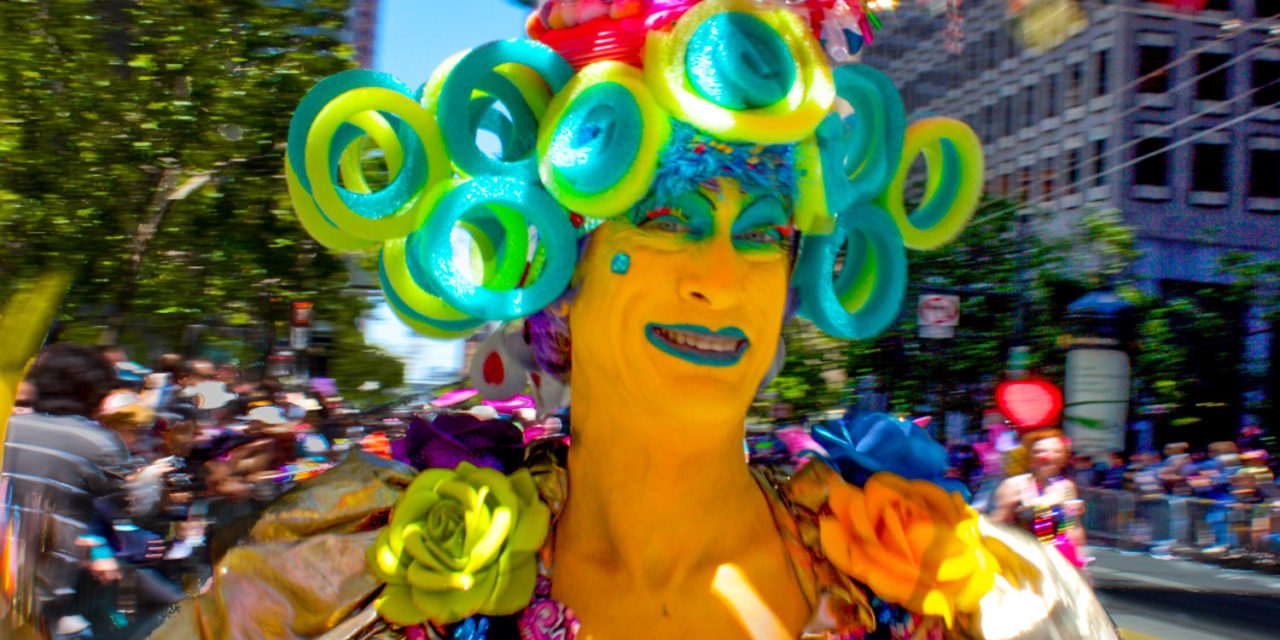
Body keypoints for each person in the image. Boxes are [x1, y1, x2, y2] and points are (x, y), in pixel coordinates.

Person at [143, 1, 1114, 639]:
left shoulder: (971, 591)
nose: (718, 280)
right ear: (560, 261)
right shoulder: (341, 572)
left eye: (762, 233)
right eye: (661, 220)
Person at [2, 343, 139, 638]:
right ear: (96, 392)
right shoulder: (98, 443)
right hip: (37, 603)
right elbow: (133, 507)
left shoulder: (8, 426)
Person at [992, 428, 1088, 569]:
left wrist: (1081, 563)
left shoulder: (1067, 487)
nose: (1047, 456)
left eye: (1056, 452)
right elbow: (996, 528)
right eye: (1039, 451)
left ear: (1063, 458)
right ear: (1030, 456)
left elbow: (1073, 528)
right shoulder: (1014, 485)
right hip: (1022, 562)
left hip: (1056, 563)